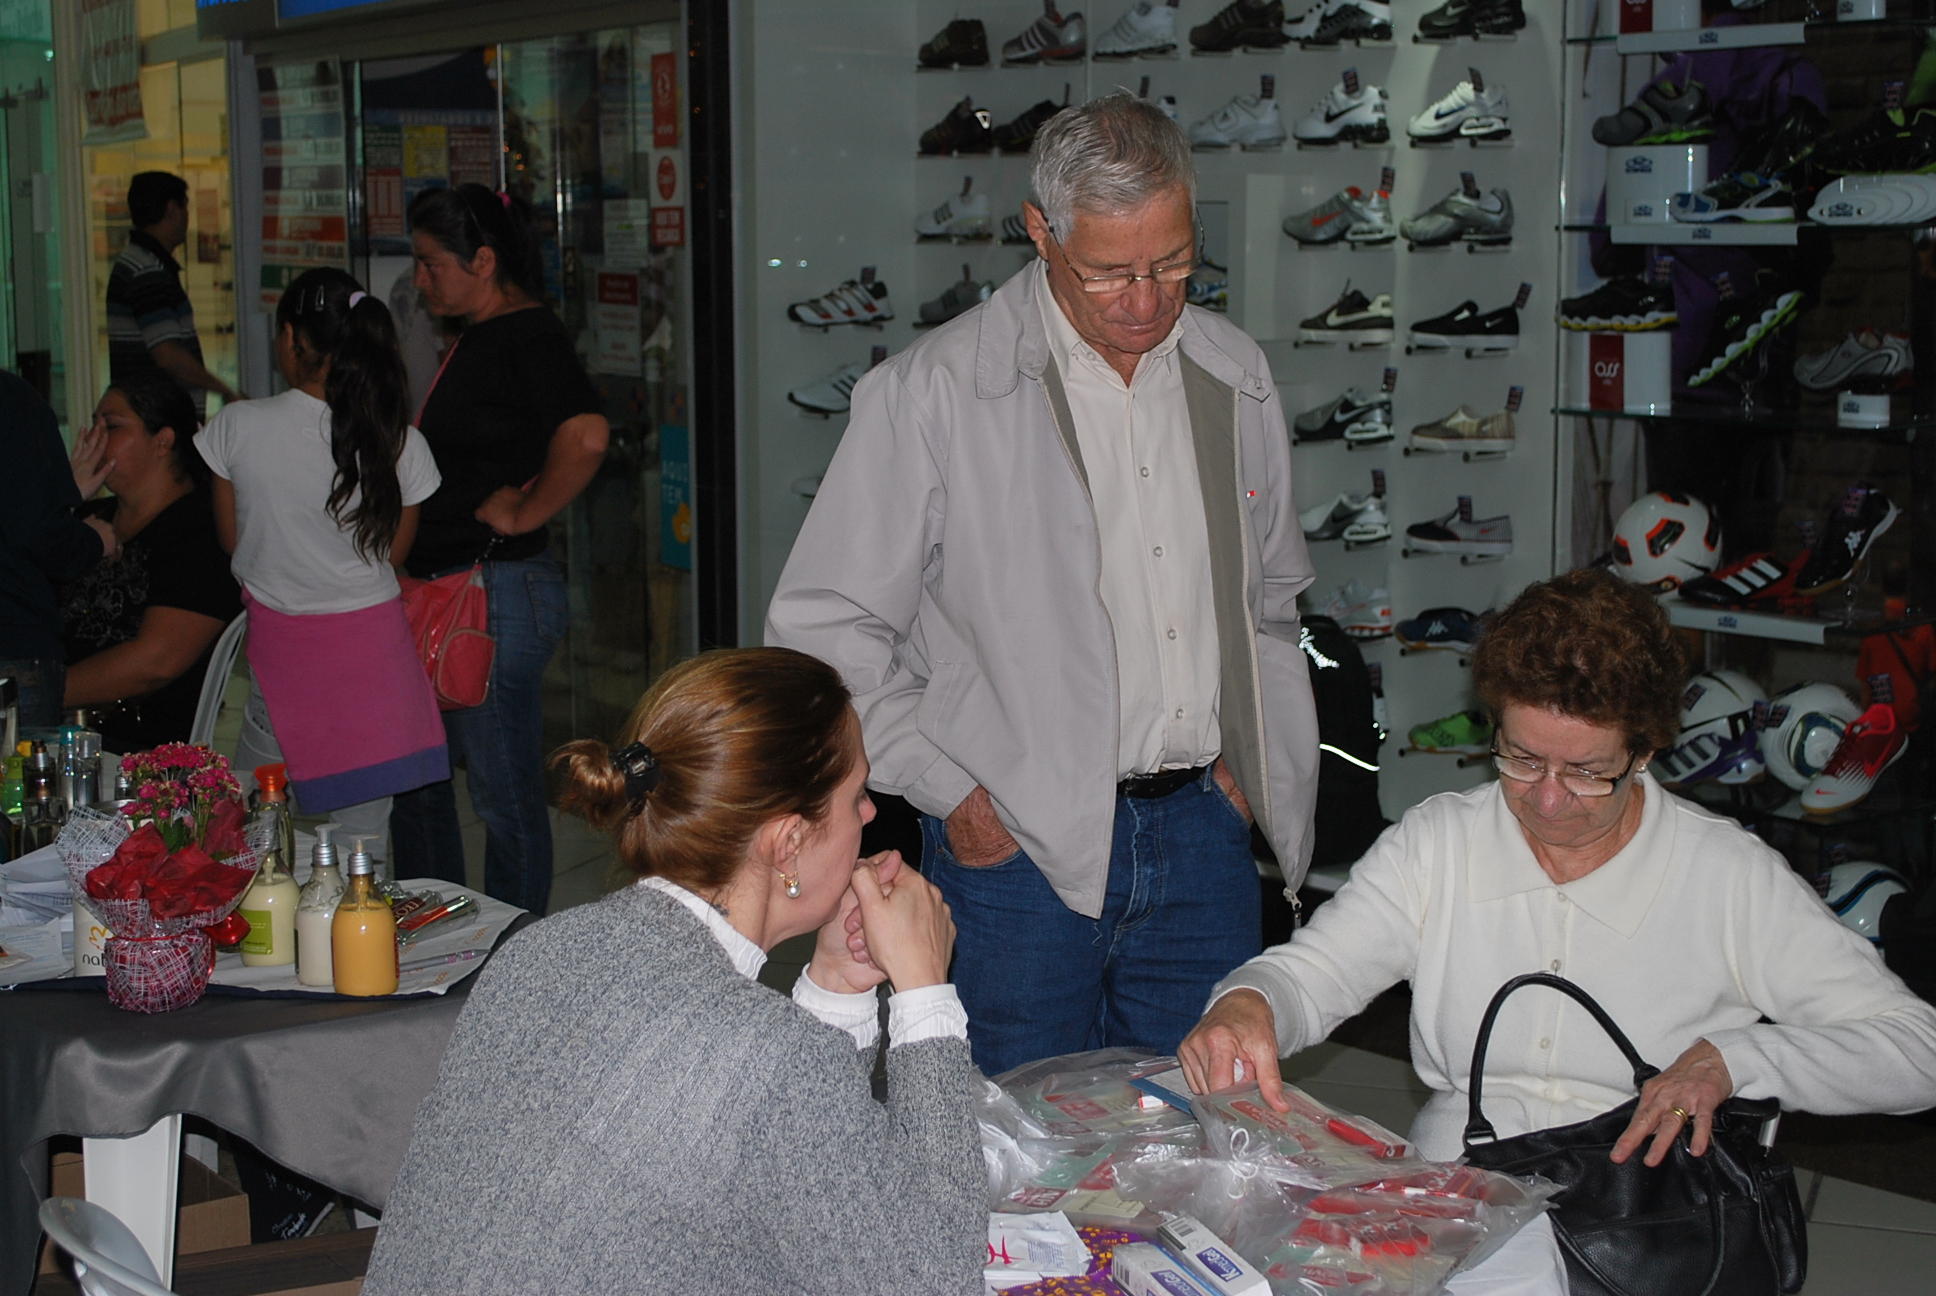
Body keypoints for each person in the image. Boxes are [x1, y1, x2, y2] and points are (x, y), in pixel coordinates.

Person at [1179, 568, 1936, 1289]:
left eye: (1585, 772)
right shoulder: (1442, 840)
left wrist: (1740, 1059)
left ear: (1644, 751)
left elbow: (1916, 1050)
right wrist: (1252, 999)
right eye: (1520, 757)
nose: (1546, 800)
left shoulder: (1726, 875)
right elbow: (1317, 972)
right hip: (1456, 1209)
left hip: (1647, 1228)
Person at [766, 91, 1319, 1075]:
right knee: (1009, 1155)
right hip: (1012, 846)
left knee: (1197, 1148)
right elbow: (822, 638)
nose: (1146, 301)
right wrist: (957, 794)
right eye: (1109, 273)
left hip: (1201, 835)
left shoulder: (1234, 373)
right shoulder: (932, 392)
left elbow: (1272, 599)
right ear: (1040, 232)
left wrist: (1244, 776)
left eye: (1174, 264)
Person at [362, 648, 984, 1295]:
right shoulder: (764, 1055)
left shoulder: (540, 950)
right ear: (788, 845)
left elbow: (791, 1168)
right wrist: (922, 990)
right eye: (856, 796)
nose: (870, 816)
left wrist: (835, 983)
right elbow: (932, 1277)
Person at [388, 183, 609, 914]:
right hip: (459, 585)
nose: (421, 281)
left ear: (482, 260)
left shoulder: (524, 334)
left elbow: (585, 435)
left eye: (430, 264)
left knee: (501, 792)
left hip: (494, 588)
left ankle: (514, 955)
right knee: (433, 780)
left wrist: (526, 509)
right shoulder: (483, 336)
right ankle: (449, 927)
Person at [198, 267, 448, 865]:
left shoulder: (237, 427)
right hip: (374, 662)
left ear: (291, 339)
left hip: (283, 659)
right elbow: (394, 555)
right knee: (367, 846)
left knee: (256, 832)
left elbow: (234, 541)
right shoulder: (400, 442)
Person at [61, 376, 240, 754]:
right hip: (58, 730)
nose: (93, 437)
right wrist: (63, 505)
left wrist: (40, 691)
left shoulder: (199, 531)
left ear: (163, 440)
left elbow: (157, 660)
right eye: (93, 424)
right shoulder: (88, 519)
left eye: (111, 426)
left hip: (137, 746)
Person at [0, 371, 115, 729]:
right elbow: (39, 536)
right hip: (12, 643)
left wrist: (61, 494)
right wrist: (95, 540)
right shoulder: (11, 400)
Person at [106, 171, 242, 418]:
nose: (188, 217)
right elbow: (168, 355)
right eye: (185, 208)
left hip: (146, 412)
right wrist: (223, 389)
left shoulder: (136, 262)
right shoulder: (147, 271)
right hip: (155, 416)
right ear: (172, 210)